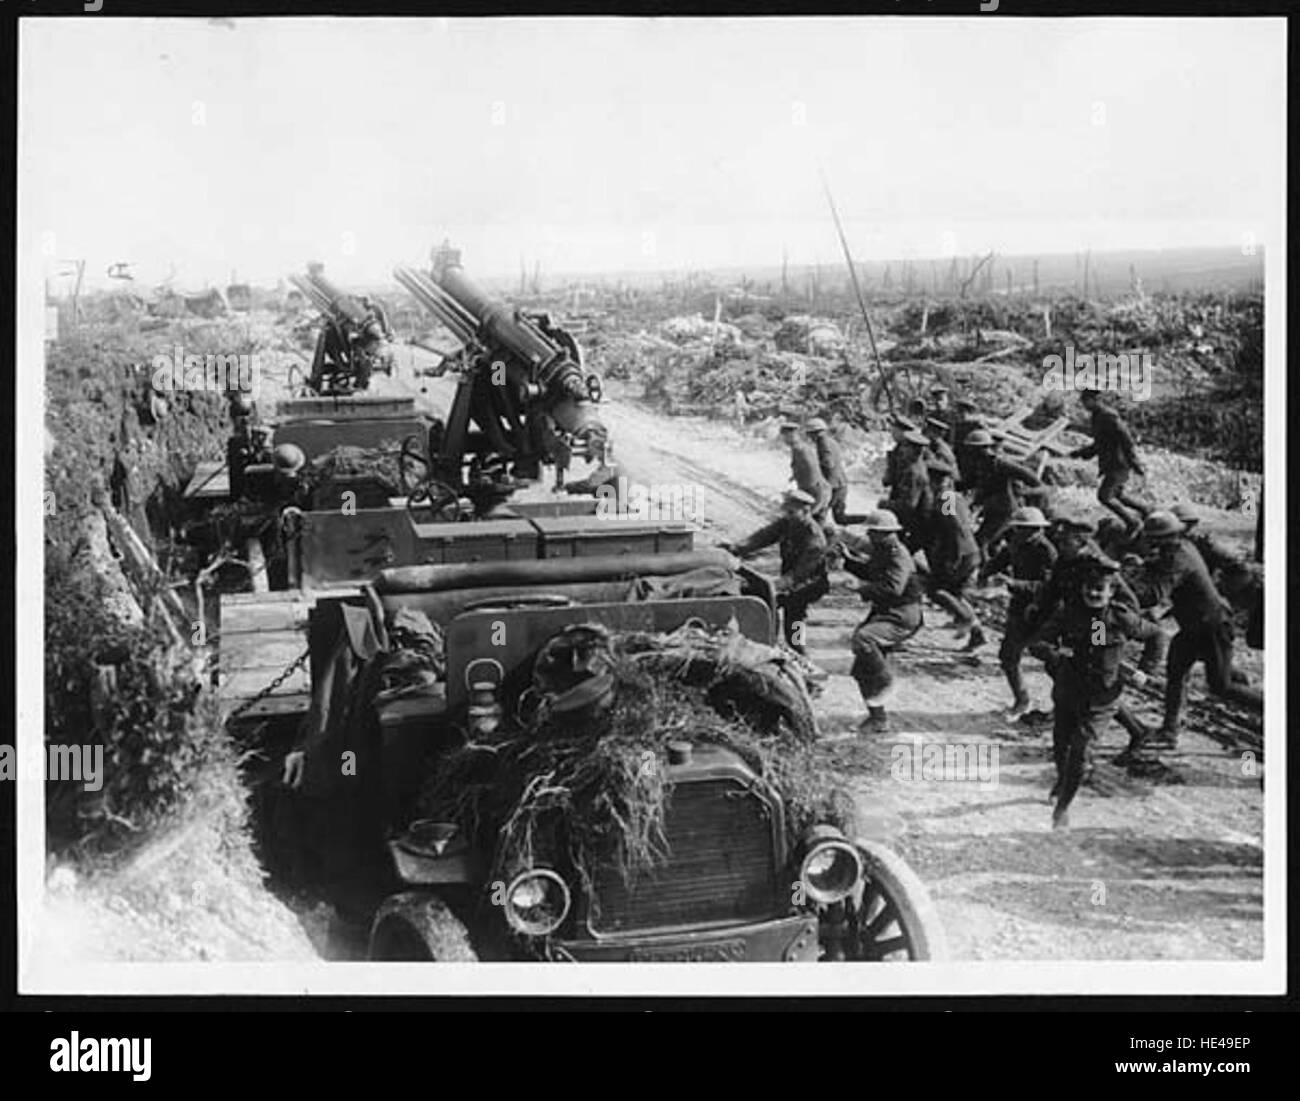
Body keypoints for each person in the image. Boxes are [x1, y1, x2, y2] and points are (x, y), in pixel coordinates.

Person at [1025, 552, 1165, 829]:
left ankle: (1062, 808)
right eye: (1089, 588)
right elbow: (1038, 643)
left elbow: (1157, 635)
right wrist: (1058, 654)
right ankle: (1062, 781)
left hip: (1102, 698)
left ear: (1111, 592)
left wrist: (1146, 671)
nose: (1093, 593)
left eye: (1100, 589)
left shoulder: (1120, 618)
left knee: (1080, 749)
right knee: (1061, 744)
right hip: (1069, 690)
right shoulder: (1069, 613)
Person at [1133, 510, 1262, 748]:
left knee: (1221, 685)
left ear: (1162, 539)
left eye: (1153, 538)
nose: (1150, 542)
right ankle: (1169, 731)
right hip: (1193, 626)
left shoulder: (1176, 559)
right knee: (1176, 670)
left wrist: (1123, 584)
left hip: (1211, 626)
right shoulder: (1181, 546)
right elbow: (1161, 568)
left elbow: (1154, 595)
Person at [840, 509, 925, 733]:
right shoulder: (883, 550)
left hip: (902, 614)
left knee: (863, 638)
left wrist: (861, 589)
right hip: (887, 611)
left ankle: (887, 680)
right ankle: (878, 719)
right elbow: (871, 571)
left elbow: (892, 588)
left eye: (874, 532)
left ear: (887, 533)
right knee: (862, 670)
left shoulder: (898, 555)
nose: (869, 535)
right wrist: (847, 561)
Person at [723, 488, 830, 654]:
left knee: (793, 618)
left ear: (806, 511)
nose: (787, 515)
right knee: (770, 602)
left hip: (808, 584)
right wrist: (736, 548)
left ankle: (800, 653)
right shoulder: (789, 523)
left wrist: (773, 586)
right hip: (790, 577)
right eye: (786, 511)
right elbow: (763, 537)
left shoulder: (814, 540)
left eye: (791, 512)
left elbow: (799, 575)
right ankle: (771, 640)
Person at [983, 505, 1058, 717]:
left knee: (1048, 656)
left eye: (1034, 529)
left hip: (1043, 611)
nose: (1031, 533)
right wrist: (986, 571)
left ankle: (1065, 704)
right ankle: (1021, 699)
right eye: (1023, 528)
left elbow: (1047, 587)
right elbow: (1000, 559)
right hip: (1020, 608)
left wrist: (1013, 584)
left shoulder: (1047, 551)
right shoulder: (1016, 543)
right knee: (1008, 655)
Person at [923, 461, 985, 652]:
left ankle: (965, 619)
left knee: (936, 590)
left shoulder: (946, 499)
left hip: (961, 553)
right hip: (970, 551)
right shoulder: (955, 497)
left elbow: (954, 528)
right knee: (956, 594)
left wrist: (954, 557)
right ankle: (977, 634)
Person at [1069, 389, 1149, 535]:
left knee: (1105, 496)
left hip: (1119, 462)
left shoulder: (1108, 415)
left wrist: (1134, 461)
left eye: (1086, 401)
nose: (1084, 405)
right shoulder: (1096, 416)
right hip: (1111, 463)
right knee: (1118, 495)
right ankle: (1146, 510)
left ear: (1095, 400)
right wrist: (1080, 453)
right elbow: (1100, 443)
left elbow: (1126, 439)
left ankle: (1133, 522)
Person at [961, 429, 1043, 560]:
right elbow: (969, 482)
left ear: (982, 448)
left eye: (972, 449)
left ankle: (983, 574)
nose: (969, 452)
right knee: (995, 544)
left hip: (1005, 511)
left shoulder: (1001, 464)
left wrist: (1023, 493)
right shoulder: (979, 464)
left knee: (981, 541)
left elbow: (1031, 478)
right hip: (991, 509)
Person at [883, 429, 933, 551]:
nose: (902, 450)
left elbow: (909, 505)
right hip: (917, 519)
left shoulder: (914, 472)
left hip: (920, 521)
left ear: (914, 451)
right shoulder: (912, 466)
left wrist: (886, 504)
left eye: (906, 447)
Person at [778, 421, 831, 525]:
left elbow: (813, 475)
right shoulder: (799, 448)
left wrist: (806, 495)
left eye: (785, 436)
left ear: (792, 435)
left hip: (816, 492)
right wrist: (795, 475)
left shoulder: (800, 450)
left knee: (809, 524)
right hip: (815, 490)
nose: (783, 440)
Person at [806, 417, 852, 525]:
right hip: (841, 484)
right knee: (840, 518)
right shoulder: (832, 441)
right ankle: (870, 519)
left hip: (833, 486)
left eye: (809, 434)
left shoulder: (822, 442)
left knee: (819, 515)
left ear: (813, 433)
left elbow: (828, 463)